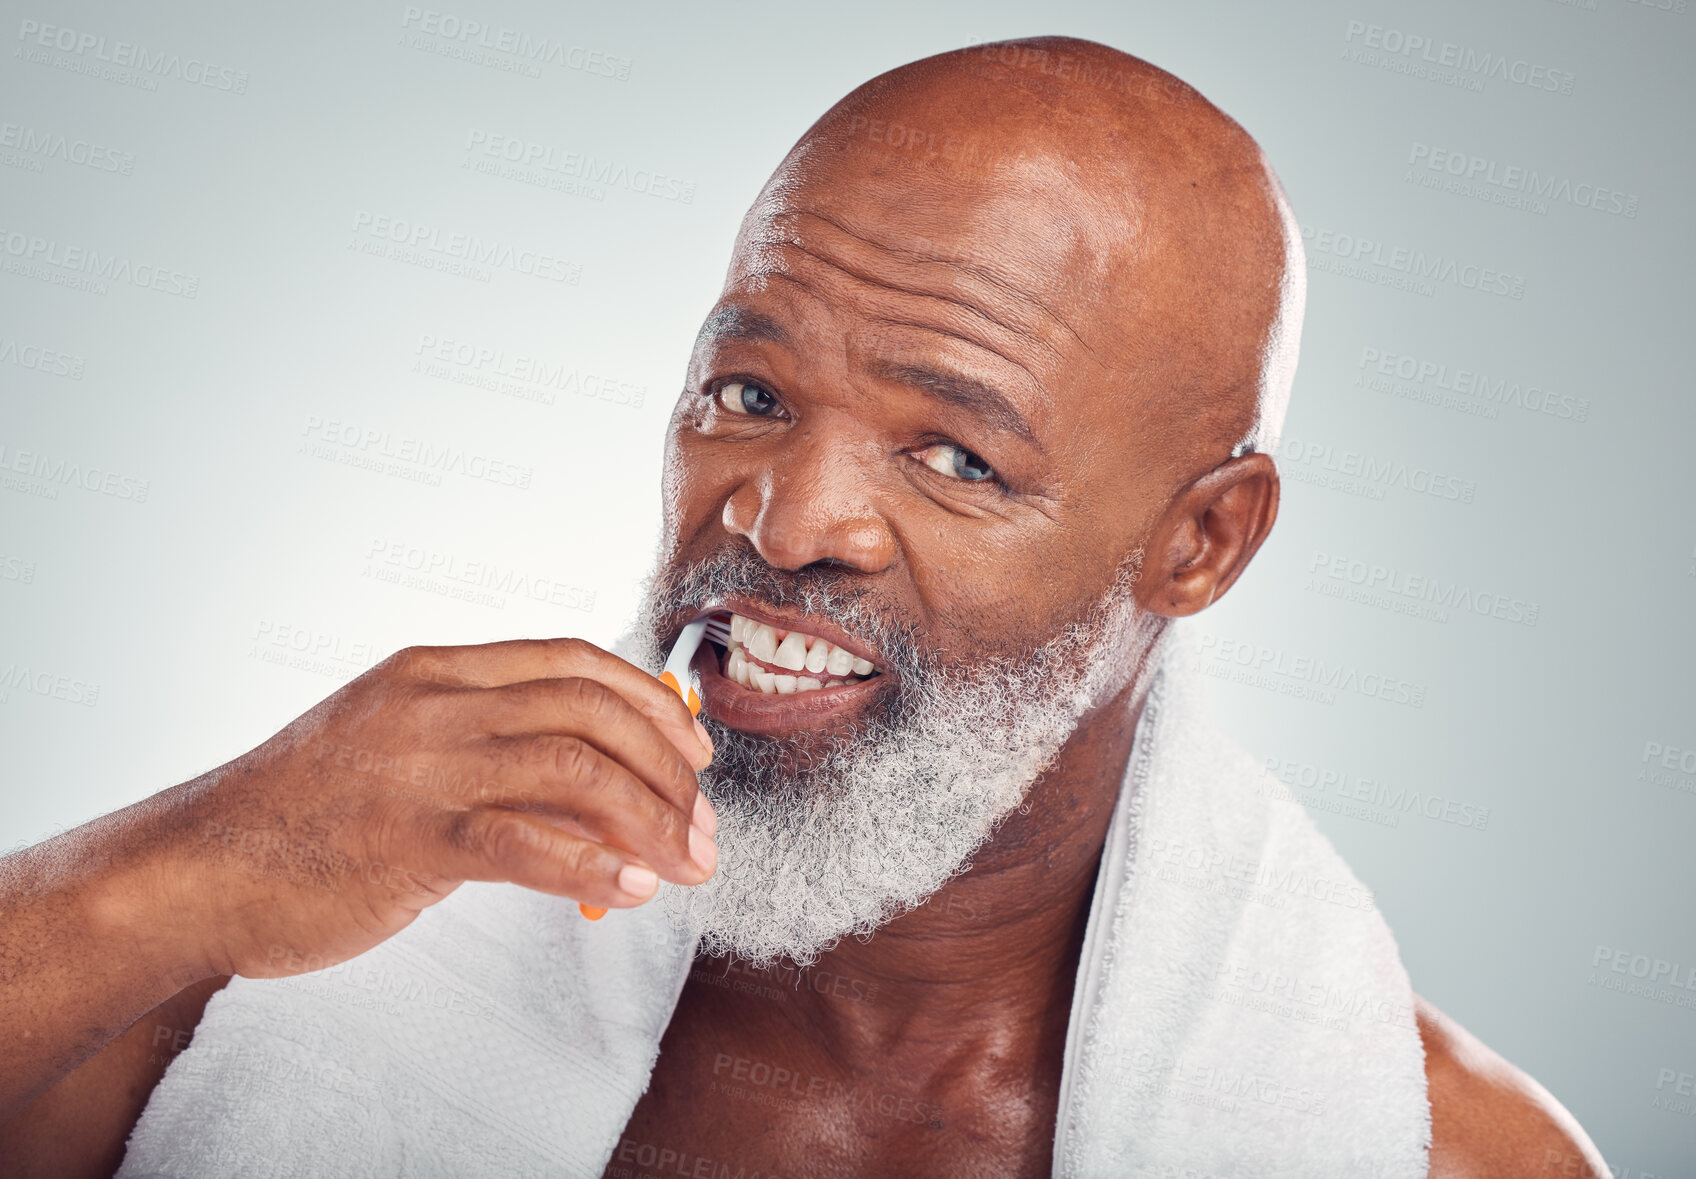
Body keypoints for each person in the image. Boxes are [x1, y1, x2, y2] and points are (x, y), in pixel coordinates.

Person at [0, 36, 1608, 1178]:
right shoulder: (274, 953)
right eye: (750, 392)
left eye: (956, 455)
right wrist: (202, 857)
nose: (782, 518)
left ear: (1201, 547)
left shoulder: (1438, 1158)